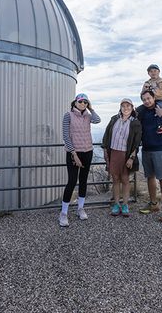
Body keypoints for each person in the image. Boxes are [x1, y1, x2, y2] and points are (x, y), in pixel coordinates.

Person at [59, 93, 101, 227]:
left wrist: (92, 108)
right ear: (75, 102)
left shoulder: (88, 116)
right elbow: (66, 136)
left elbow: (98, 120)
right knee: (71, 181)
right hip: (74, 153)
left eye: (85, 102)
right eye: (81, 101)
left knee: (83, 181)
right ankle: (63, 213)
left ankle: (80, 208)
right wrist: (74, 154)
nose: (83, 104)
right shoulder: (68, 115)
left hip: (88, 152)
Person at [137, 90, 162, 222]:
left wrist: (161, 116)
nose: (147, 101)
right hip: (146, 148)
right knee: (150, 177)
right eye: (144, 99)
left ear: (153, 97)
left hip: (160, 149)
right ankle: (153, 204)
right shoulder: (142, 113)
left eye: (148, 98)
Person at [101, 98, 142, 217]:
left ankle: (125, 204)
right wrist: (105, 150)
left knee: (124, 180)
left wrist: (131, 158)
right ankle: (116, 204)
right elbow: (106, 134)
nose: (126, 108)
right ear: (120, 107)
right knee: (115, 180)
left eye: (128, 106)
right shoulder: (114, 119)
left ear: (132, 108)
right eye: (123, 106)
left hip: (126, 154)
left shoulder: (135, 122)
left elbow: (136, 142)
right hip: (113, 153)